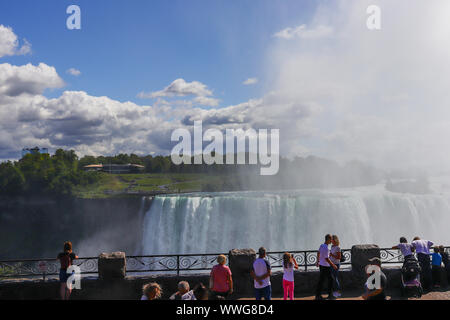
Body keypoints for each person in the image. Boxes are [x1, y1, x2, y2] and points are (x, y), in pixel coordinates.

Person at [315, 234, 338, 300]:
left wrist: (318, 261)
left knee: (322, 280)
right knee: (330, 279)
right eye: (331, 239)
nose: (331, 240)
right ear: (328, 239)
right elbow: (326, 258)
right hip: (325, 266)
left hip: (322, 265)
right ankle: (328, 295)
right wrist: (333, 265)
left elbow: (318, 252)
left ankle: (319, 295)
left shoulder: (322, 245)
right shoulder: (326, 248)